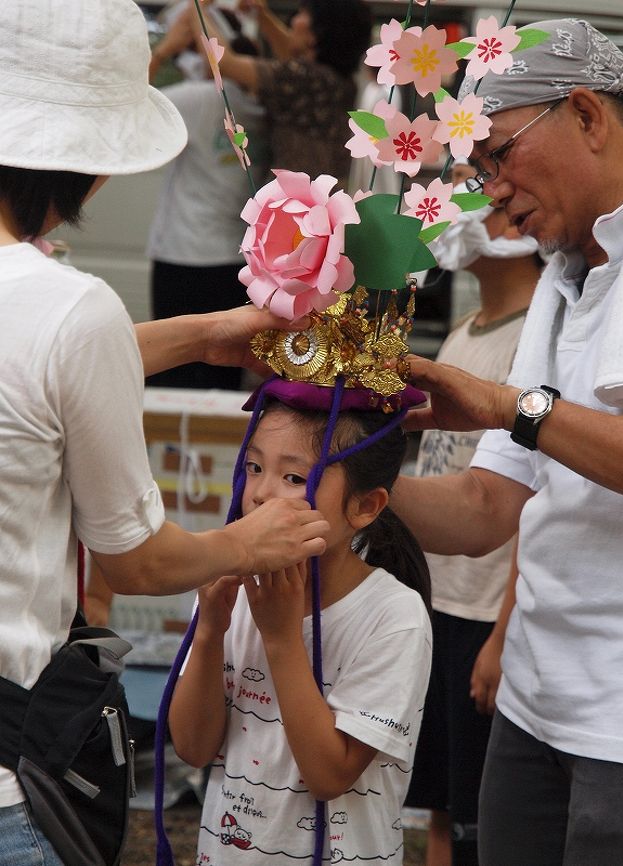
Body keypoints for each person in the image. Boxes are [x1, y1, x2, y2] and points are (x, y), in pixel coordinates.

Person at [0, 3, 330, 860]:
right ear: (89, 167)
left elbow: (33, 378)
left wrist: (202, 332)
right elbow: (137, 560)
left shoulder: (60, 317)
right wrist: (251, 540)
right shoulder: (69, 308)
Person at [391, 18, 623, 866]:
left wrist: (511, 405)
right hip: (535, 702)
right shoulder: (563, 275)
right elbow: (484, 507)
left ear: (585, 113)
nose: (489, 193)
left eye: (497, 157)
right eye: (472, 172)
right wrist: (347, 481)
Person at [168, 381, 433, 864]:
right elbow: (192, 747)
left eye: (294, 479)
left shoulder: (394, 618)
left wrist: (282, 638)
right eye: (253, 467)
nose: (261, 494)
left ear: (365, 506)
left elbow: (329, 776)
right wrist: (208, 631)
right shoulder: (232, 589)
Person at [403, 199, 542, 866]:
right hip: (440, 602)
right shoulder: (464, 329)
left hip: (487, 617)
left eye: (472, 190)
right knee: (439, 803)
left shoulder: (537, 332)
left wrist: (501, 634)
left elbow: (529, 501)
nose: (449, 211)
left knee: (479, 822)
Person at [146, 9, 269, 391]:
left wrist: (164, 51)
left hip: (182, 257)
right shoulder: (266, 105)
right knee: (224, 372)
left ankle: (172, 453)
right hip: (237, 261)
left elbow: (124, 102)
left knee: (173, 372)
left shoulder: (196, 99)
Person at [156, 0, 373, 184]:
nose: (294, 21)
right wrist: (261, 15)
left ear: (316, 33)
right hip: (318, 213)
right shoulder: (339, 83)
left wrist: (197, 10)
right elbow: (292, 56)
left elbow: (224, 64)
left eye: (303, 13)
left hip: (294, 215)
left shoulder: (306, 79)